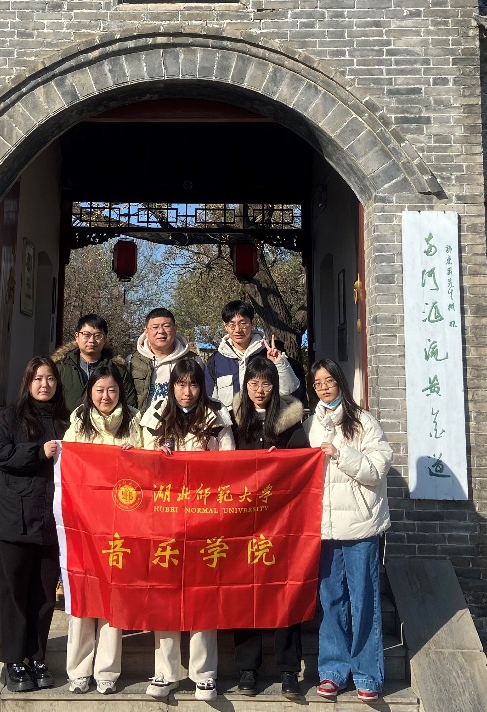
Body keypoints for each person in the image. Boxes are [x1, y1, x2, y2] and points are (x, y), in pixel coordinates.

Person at [140, 357, 234, 702]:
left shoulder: (218, 418)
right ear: (172, 386)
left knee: (203, 593)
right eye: (181, 383)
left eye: (194, 384)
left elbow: (230, 467)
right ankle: (164, 672)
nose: (187, 391)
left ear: (202, 386)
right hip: (165, 520)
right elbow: (142, 467)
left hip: (205, 520)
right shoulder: (154, 417)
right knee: (165, 594)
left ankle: (204, 673)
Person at [304, 358, 392, 703]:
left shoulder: (363, 422)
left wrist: (341, 453)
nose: (324, 388)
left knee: (364, 600)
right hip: (324, 528)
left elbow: (377, 470)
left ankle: (367, 673)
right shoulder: (310, 425)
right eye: (318, 383)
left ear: (340, 381)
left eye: (329, 381)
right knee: (331, 601)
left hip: (360, 526)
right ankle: (333, 671)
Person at [0, 356, 69, 692]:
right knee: (14, 593)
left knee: (44, 596)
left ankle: (37, 657)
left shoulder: (67, 421)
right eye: (38, 379)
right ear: (28, 382)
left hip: (51, 522)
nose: (44, 385)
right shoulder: (10, 417)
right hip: (13, 521)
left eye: (50, 379)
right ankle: (13, 661)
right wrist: (38, 452)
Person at [229, 356, 309, 697]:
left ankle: (289, 670)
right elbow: (220, 462)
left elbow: (304, 465)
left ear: (275, 386)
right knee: (244, 592)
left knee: (284, 592)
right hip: (243, 521)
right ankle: (247, 668)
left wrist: (284, 461)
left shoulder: (290, 421)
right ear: (245, 386)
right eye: (253, 383)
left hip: (281, 521)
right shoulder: (233, 420)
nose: (259, 390)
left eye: (266, 383)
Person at [62, 364, 141, 695]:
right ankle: (78, 669)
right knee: (84, 594)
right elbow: (67, 465)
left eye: (111, 390)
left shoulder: (134, 422)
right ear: (90, 393)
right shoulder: (78, 422)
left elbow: (149, 465)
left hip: (121, 523)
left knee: (112, 596)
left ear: (120, 391)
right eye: (99, 390)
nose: (106, 396)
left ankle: (107, 670)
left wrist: (135, 456)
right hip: (85, 524)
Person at [205, 300, 299, 408]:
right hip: (230, 419)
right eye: (232, 324)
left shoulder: (269, 354)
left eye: (243, 323)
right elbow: (209, 400)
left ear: (252, 323)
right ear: (225, 326)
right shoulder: (216, 361)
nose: (237, 330)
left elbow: (289, 392)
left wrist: (279, 363)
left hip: (265, 417)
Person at [52, 314, 135, 414]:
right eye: (86, 335)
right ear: (77, 337)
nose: (92, 340)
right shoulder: (60, 367)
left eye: (98, 336)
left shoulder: (118, 370)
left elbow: (129, 406)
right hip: (66, 423)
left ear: (105, 339)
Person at [129, 307, 192, 414]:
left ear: (175, 329)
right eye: (155, 327)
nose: (161, 331)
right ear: (146, 332)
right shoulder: (132, 361)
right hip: (144, 422)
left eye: (166, 326)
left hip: (182, 421)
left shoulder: (192, 361)